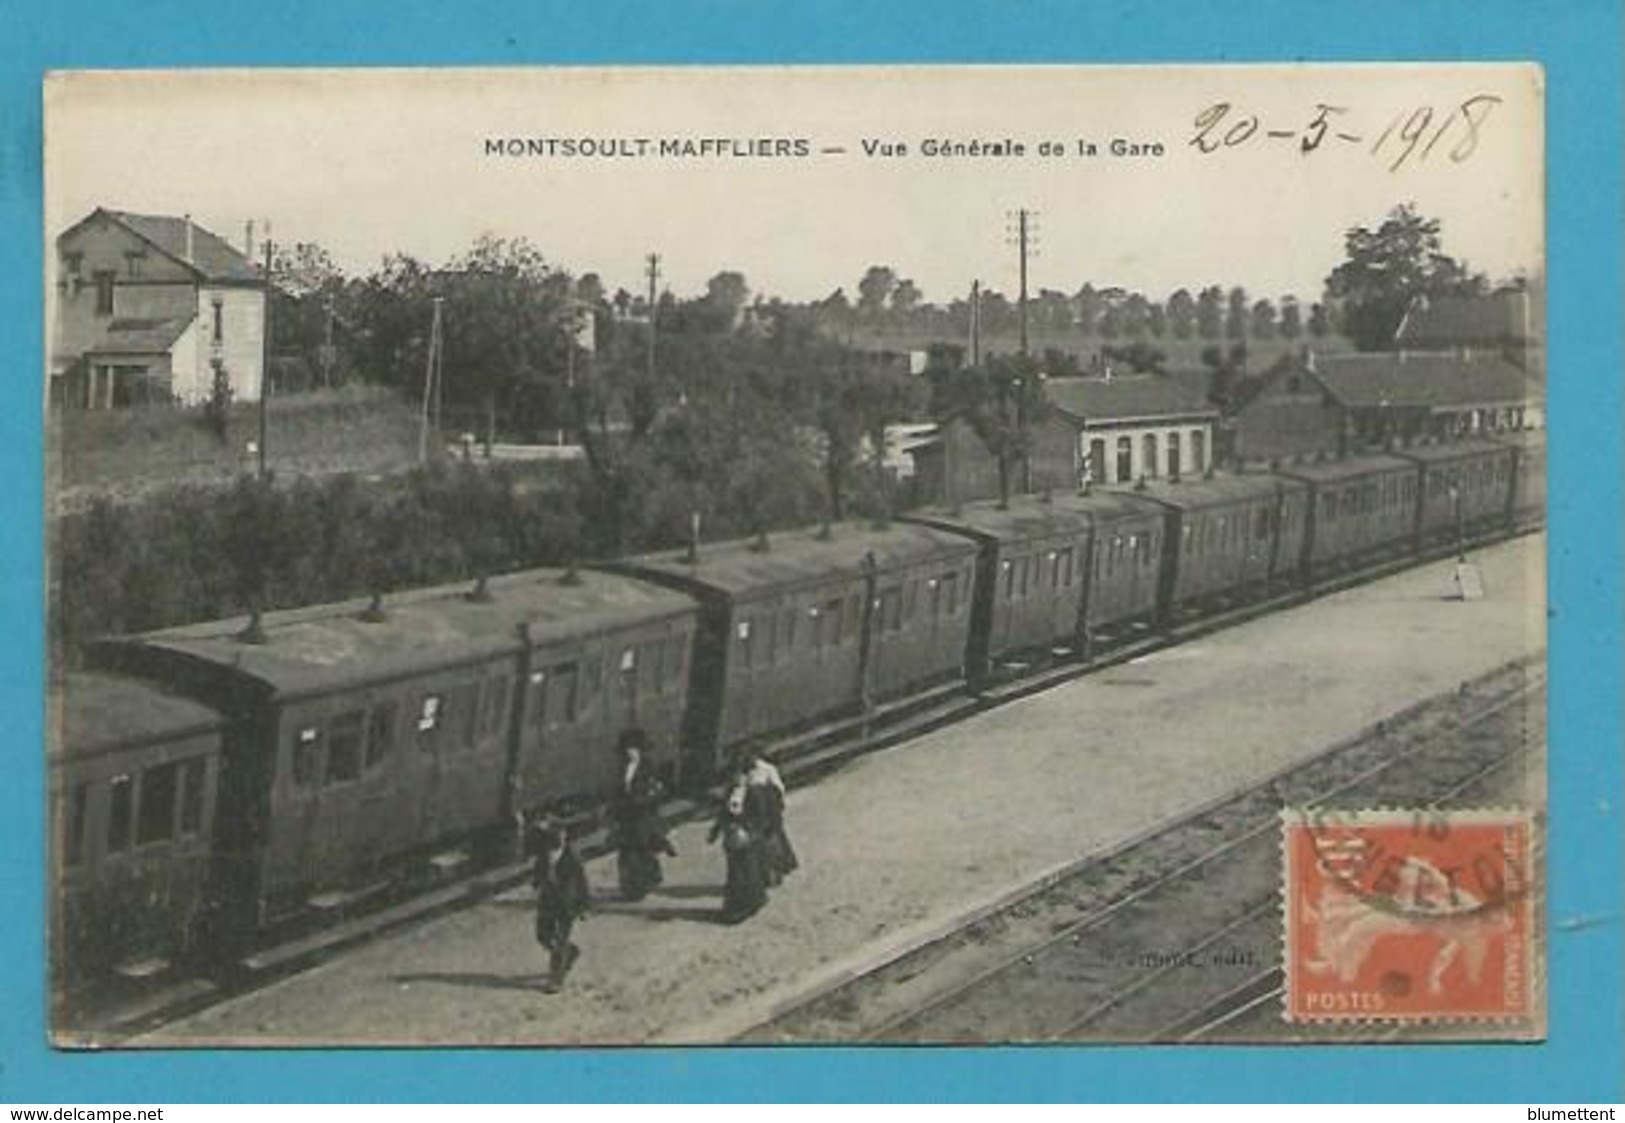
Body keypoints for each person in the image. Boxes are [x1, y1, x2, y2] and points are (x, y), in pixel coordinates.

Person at [610, 729, 675, 901]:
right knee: (627, 853)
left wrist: (641, 800)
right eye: (627, 749)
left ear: (639, 750)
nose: (629, 752)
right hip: (626, 818)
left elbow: (656, 793)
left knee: (639, 852)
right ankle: (630, 888)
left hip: (642, 818)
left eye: (633, 749)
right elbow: (618, 790)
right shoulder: (623, 768)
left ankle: (641, 886)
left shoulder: (648, 768)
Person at [531, 821, 589, 993]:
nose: (559, 840)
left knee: (558, 941)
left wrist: (584, 906)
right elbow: (538, 872)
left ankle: (556, 980)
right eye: (555, 838)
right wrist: (537, 882)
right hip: (547, 903)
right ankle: (570, 952)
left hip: (566, 905)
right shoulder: (543, 856)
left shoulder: (573, 857)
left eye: (561, 837)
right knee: (542, 936)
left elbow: (582, 883)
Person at [708, 781, 767, 924]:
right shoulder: (728, 792)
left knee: (747, 870)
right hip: (732, 837)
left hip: (747, 837)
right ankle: (737, 907)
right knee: (735, 872)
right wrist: (715, 833)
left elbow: (760, 815)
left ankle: (750, 903)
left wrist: (752, 831)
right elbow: (722, 815)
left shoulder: (752, 792)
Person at [743, 747, 798, 886]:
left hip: (769, 810)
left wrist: (775, 806)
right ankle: (764, 876)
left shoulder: (768, 769)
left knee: (773, 843)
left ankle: (777, 873)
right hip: (754, 813)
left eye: (751, 757)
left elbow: (779, 788)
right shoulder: (745, 772)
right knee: (759, 845)